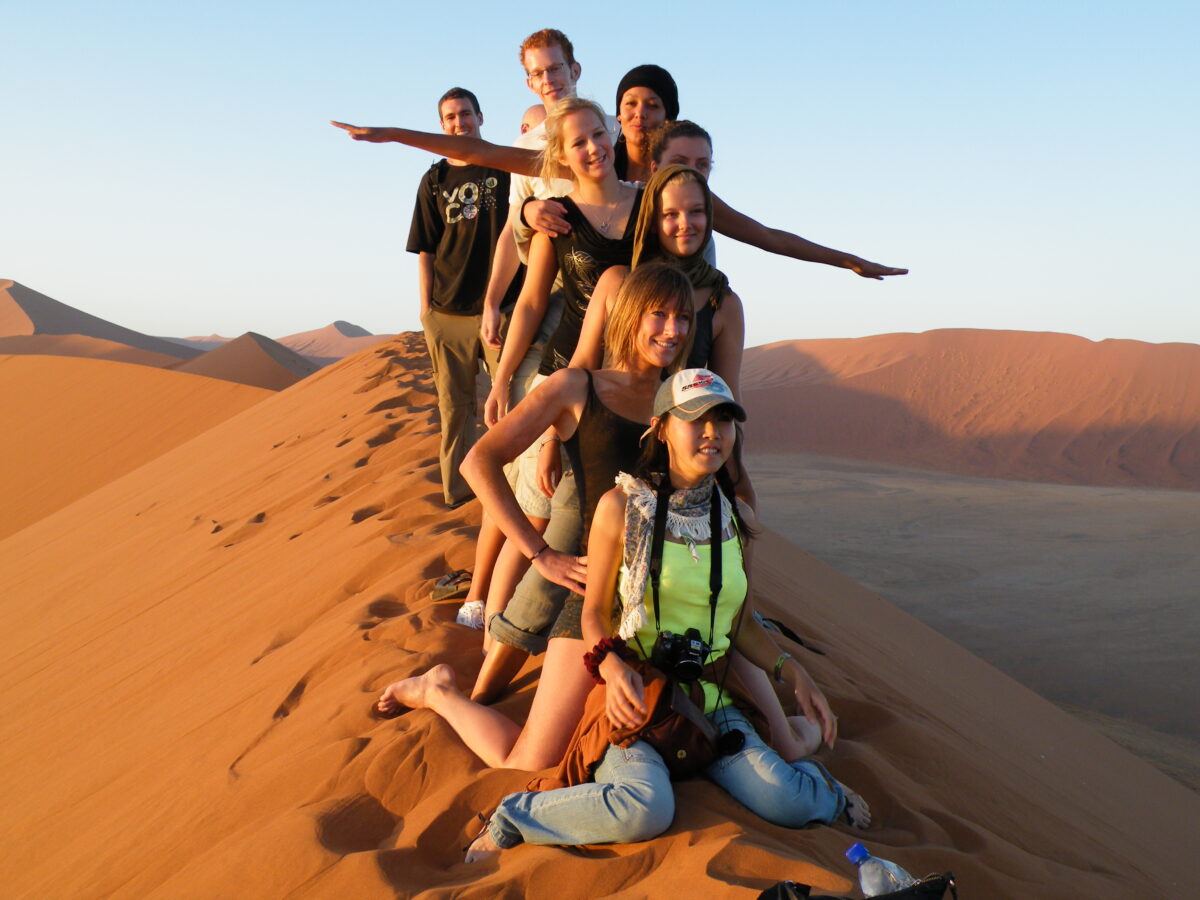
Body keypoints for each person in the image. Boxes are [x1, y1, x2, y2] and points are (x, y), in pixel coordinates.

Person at [462, 369, 866, 861]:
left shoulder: (737, 518)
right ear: (661, 428)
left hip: (709, 705)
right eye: (696, 420)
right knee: (646, 810)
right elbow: (593, 615)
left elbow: (740, 621)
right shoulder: (622, 507)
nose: (712, 434)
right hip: (638, 702)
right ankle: (514, 816)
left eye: (724, 421)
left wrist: (790, 669)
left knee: (786, 800)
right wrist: (610, 669)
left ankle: (830, 791)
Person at [375, 263, 695, 771]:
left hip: (670, 601)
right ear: (630, 314)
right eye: (659, 314)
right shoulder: (576, 387)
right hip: (593, 599)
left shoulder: (683, 400)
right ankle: (438, 692)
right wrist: (540, 553)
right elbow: (477, 462)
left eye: (683, 317)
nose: (672, 330)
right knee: (526, 761)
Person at [405, 87, 516, 508]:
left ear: (481, 117)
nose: (459, 123)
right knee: (455, 409)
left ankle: (512, 496)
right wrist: (426, 310)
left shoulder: (505, 168)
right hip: (447, 314)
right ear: (441, 126)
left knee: (511, 407)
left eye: (465, 114)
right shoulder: (433, 180)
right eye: (450, 117)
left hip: (501, 310)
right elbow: (426, 249)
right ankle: (458, 496)